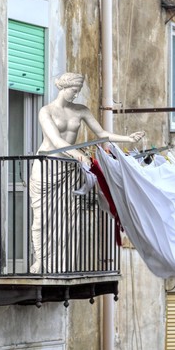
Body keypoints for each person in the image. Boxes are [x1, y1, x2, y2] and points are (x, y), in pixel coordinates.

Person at [29, 72, 144, 273]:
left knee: (67, 218)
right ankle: (40, 261)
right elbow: (56, 141)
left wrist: (128, 139)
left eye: (78, 91)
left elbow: (101, 134)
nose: (76, 95)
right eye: (74, 91)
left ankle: (61, 265)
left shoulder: (81, 111)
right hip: (47, 166)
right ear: (64, 88)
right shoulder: (45, 111)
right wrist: (79, 155)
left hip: (68, 169)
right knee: (43, 216)